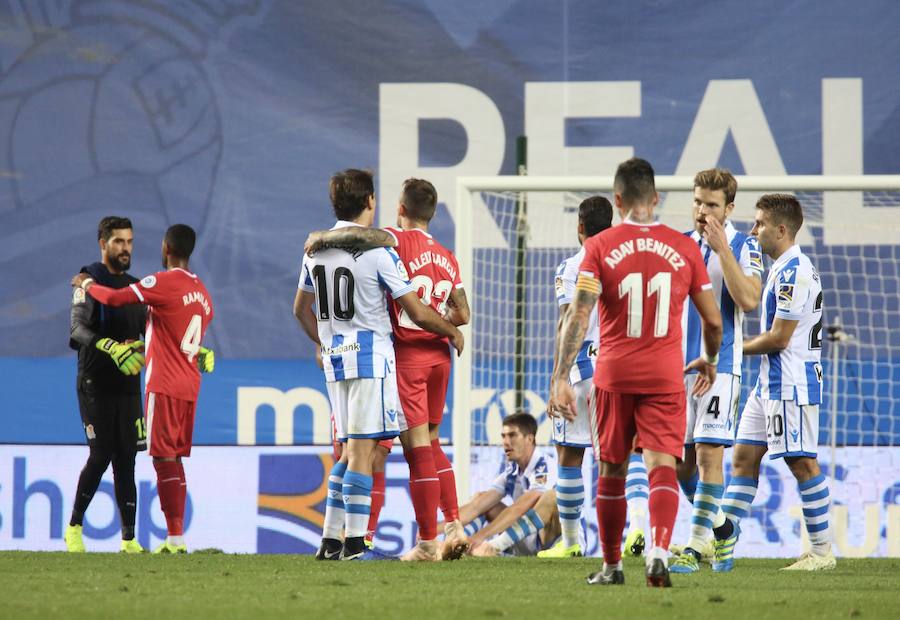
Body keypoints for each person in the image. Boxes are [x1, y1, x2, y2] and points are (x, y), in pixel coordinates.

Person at [549, 157, 722, 587]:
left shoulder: (599, 247)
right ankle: (659, 554)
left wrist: (560, 376)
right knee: (662, 466)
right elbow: (714, 321)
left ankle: (611, 566)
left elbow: (578, 314)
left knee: (612, 469)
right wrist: (710, 356)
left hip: (613, 375)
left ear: (619, 200)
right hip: (666, 376)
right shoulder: (684, 248)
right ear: (657, 199)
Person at [293, 169, 464, 561]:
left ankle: (330, 539)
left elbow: (300, 310)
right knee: (368, 451)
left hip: (337, 360)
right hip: (374, 358)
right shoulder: (381, 252)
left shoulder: (315, 251)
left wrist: (324, 343)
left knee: (351, 451)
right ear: (370, 201)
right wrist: (451, 332)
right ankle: (355, 541)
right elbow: (420, 312)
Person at [71, 224, 215, 554]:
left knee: (163, 458)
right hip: (190, 384)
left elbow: (116, 297)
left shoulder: (162, 282)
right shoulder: (202, 291)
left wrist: (88, 283)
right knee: (173, 458)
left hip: (163, 383)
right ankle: (174, 537)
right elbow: (192, 325)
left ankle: (175, 538)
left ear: (166, 247)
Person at [712, 194, 834, 572]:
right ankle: (725, 539)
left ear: (781, 229)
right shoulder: (782, 268)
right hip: (768, 383)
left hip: (790, 382)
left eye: (760, 224)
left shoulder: (795, 271)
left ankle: (821, 552)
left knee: (802, 463)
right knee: (744, 457)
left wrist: (729, 351)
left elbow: (779, 338)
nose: (754, 230)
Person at [538, 196, 650, 560]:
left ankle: (572, 542)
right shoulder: (629, 262)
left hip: (583, 372)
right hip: (622, 369)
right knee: (626, 453)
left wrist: (558, 377)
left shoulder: (573, 265)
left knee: (569, 454)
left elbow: (568, 320)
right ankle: (637, 528)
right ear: (614, 224)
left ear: (580, 227)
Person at [669, 169, 763, 574]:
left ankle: (694, 546)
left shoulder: (745, 246)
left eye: (711, 204)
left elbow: (749, 301)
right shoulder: (676, 246)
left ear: (729, 209)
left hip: (721, 366)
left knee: (709, 455)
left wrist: (722, 247)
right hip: (677, 369)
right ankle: (723, 528)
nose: (702, 211)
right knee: (678, 464)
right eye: (697, 202)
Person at [65, 216, 148, 554]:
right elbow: (77, 330)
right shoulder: (88, 281)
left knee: (127, 458)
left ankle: (129, 540)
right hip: (94, 382)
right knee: (100, 455)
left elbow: (149, 334)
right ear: (103, 244)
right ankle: (74, 528)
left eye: (128, 242)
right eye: (118, 242)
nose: (125, 248)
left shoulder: (137, 286)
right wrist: (110, 347)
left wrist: (138, 346)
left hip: (128, 384)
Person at [453, 413, 557, 557]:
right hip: (527, 540)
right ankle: (459, 546)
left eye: (512, 435)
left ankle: (494, 546)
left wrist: (481, 535)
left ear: (529, 439)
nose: (506, 442)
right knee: (482, 499)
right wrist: (437, 528)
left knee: (552, 497)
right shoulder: (512, 471)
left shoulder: (544, 466)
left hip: (550, 543)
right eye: (503, 436)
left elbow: (519, 508)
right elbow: (477, 506)